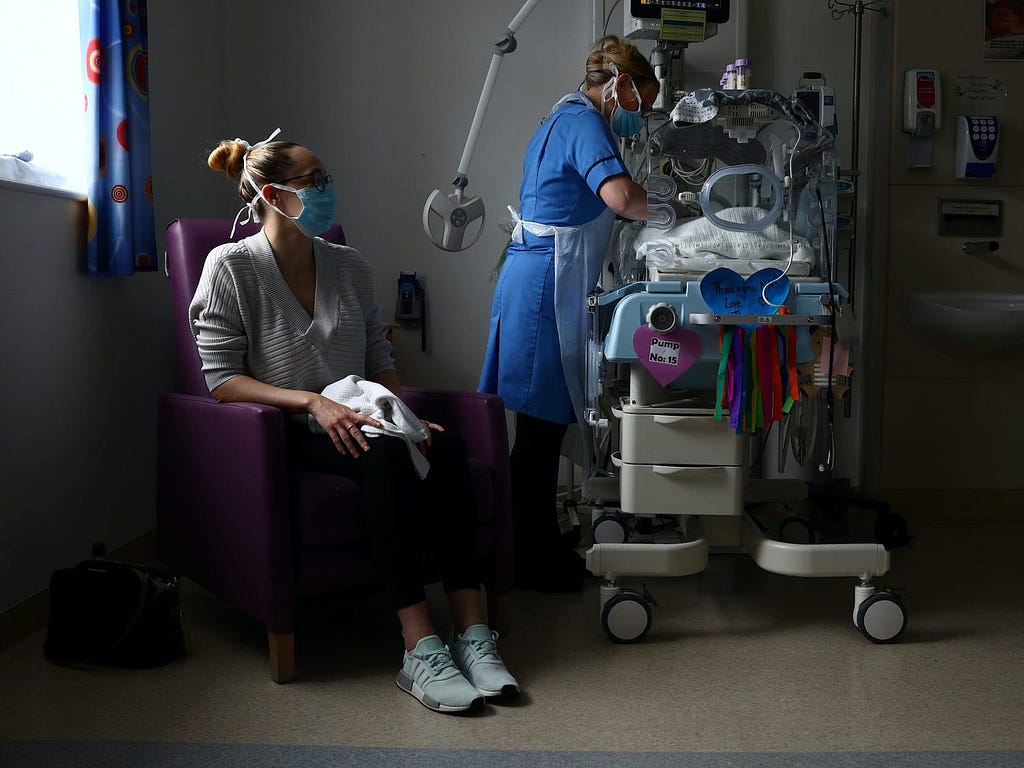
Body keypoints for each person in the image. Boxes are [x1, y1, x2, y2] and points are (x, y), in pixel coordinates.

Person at [190, 131, 518, 714]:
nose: (327, 190)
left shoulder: (350, 266)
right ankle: (419, 647)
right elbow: (222, 381)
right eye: (313, 181)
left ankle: (474, 636)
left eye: (327, 179)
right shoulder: (230, 266)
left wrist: (404, 415)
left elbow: (381, 363)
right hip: (283, 429)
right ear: (273, 193)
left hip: (362, 415)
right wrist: (312, 403)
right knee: (388, 456)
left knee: (440, 448)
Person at [479, 35, 658, 592]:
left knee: (542, 432)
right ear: (620, 86)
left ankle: (533, 545)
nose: (638, 119)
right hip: (542, 291)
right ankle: (525, 560)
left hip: (541, 280)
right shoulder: (583, 122)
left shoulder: (568, 116)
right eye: (640, 106)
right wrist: (678, 208)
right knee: (536, 436)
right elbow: (623, 199)